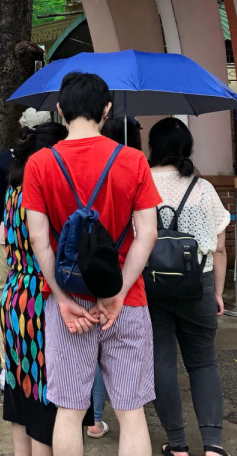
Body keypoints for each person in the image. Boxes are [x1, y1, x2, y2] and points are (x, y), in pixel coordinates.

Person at [22, 72, 161, 456]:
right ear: (106, 109)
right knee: (131, 414)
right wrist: (117, 294)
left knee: (69, 410)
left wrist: (63, 298)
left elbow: (38, 238)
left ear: (61, 109)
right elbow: (147, 234)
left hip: (70, 305)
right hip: (126, 302)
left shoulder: (40, 163)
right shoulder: (133, 160)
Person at [146, 117, 232, 456]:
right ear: (187, 149)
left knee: (161, 362)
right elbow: (220, 247)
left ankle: (177, 444)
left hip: (152, 286)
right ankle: (213, 445)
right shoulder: (203, 189)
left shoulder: (141, 184)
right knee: (203, 362)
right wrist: (217, 292)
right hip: (199, 283)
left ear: (153, 147)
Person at [0, 120, 69, 454]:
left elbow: (7, 239)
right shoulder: (44, 192)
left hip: (14, 294)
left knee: (19, 388)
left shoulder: (14, 190)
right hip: (41, 298)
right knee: (44, 393)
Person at [83, 115, 142, 439]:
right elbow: (145, 234)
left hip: (87, 277)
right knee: (128, 384)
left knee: (90, 353)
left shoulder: (89, 172)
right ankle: (111, 415)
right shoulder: (136, 168)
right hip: (128, 285)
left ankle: (94, 418)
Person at [0, 108, 53, 390]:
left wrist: (2, 227)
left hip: (10, 239)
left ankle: (8, 364)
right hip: (44, 250)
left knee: (3, 296)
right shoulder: (55, 163)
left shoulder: (8, 159)